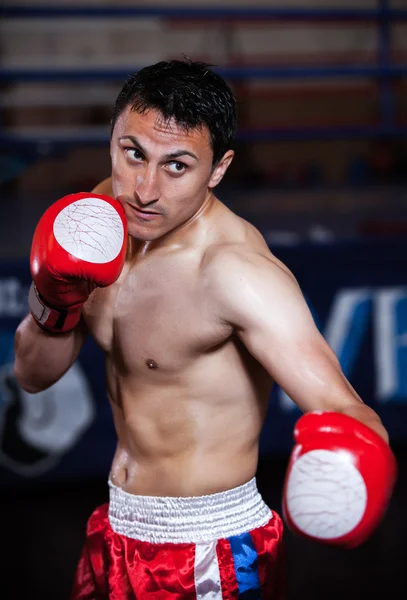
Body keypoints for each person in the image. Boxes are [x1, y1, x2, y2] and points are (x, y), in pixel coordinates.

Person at [14, 60, 396, 599]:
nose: (145, 189)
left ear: (218, 168)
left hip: (208, 551)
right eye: (134, 154)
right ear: (113, 141)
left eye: (177, 166)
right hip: (115, 526)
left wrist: (348, 462)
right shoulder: (95, 221)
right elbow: (32, 378)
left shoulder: (235, 273)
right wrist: (55, 303)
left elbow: (348, 408)